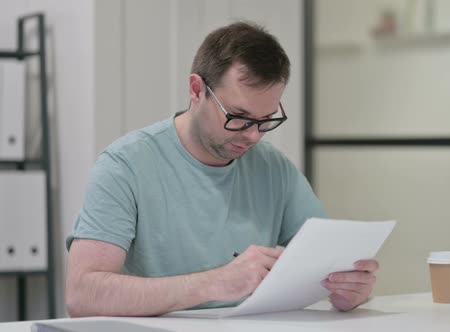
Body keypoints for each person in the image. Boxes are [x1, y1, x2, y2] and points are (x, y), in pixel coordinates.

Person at [65, 22, 379, 317]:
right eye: (239, 116)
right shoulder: (126, 165)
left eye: (266, 119)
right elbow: (82, 296)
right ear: (196, 89)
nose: (253, 135)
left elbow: (330, 261)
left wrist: (349, 289)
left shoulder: (274, 168)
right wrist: (212, 283)